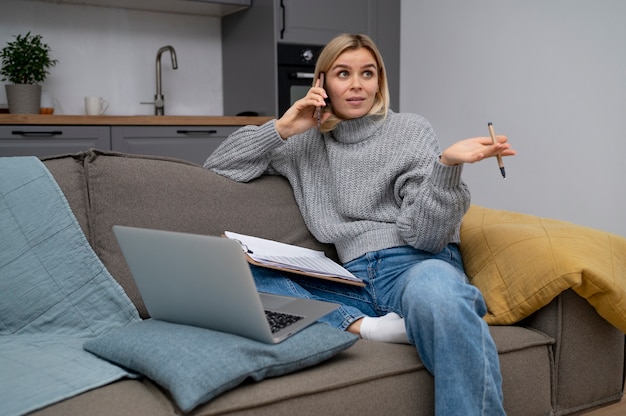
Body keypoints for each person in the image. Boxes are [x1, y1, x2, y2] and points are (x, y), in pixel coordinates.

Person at [204, 33, 515, 415]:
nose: (356, 85)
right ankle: (369, 327)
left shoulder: (411, 130)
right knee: (234, 269)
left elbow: (428, 237)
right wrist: (282, 128)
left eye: (367, 74)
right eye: (343, 73)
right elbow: (217, 168)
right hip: (348, 279)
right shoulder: (302, 142)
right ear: (321, 84)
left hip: (413, 267)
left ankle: (419, 315)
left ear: (379, 81)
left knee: (439, 291)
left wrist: (446, 169)